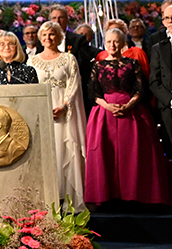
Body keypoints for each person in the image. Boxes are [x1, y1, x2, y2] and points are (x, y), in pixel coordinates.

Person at [85, 28, 170, 207]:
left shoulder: (133, 63)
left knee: (133, 155)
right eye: (109, 42)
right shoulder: (98, 65)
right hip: (104, 116)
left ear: (123, 43)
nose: (112, 45)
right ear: (104, 43)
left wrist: (129, 105)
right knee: (106, 154)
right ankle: (108, 196)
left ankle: (136, 195)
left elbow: (141, 89)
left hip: (132, 115)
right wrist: (108, 106)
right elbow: (93, 92)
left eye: (116, 41)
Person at [28, 21, 88, 210]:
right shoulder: (32, 61)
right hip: (42, 112)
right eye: (44, 35)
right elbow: (30, 88)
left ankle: (69, 201)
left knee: (65, 151)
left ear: (59, 37)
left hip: (64, 114)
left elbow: (74, 85)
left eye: (52, 34)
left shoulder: (69, 59)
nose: (48, 38)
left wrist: (64, 106)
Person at [149, 2, 172, 156]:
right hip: (168, 108)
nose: (171, 21)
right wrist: (170, 100)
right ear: (163, 22)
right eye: (167, 18)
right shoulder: (158, 48)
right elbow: (154, 81)